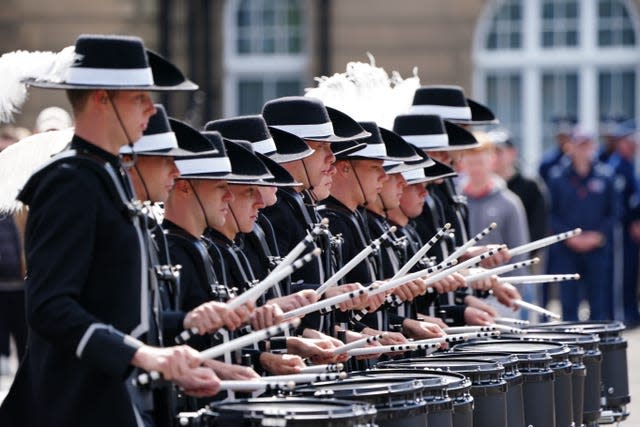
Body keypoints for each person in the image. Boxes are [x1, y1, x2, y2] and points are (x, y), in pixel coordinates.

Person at [0, 34, 219, 427]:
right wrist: (143, 355)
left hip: (116, 400)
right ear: (101, 98)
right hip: (77, 407)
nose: (152, 110)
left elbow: (117, 312)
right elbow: (49, 306)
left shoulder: (104, 176)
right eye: (139, 98)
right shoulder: (69, 181)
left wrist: (184, 332)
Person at [546, 127, 619, 321]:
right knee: (568, 305)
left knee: (598, 304)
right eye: (579, 145)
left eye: (587, 145)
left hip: (598, 249)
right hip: (567, 250)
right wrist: (570, 237)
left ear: (594, 146)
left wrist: (597, 236)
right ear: (570, 147)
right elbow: (551, 213)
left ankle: (599, 348)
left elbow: (614, 212)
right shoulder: (557, 176)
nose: (583, 150)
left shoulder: (606, 175)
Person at [460, 131, 531, 318]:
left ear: (492, 161)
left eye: (480, 163)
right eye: (470, 163)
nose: (475, 169)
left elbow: (519, 252)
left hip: (501, 294)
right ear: (462, 164)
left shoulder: (509, 202)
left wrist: (514, 291)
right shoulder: (455, 202)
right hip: (463, 296)